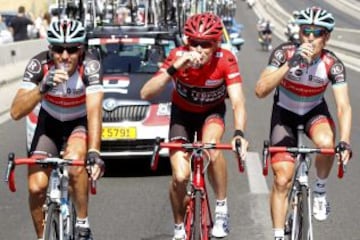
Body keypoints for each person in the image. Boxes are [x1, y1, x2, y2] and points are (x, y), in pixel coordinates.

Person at [140, 12, 248, 240]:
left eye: (205, 44)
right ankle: (179, 227)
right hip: (182, 116)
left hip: (212, 113)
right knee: (180, 176)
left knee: (212, 147)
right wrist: (173, 69)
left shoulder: (225, 59)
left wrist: (239, 133)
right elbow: (146, 93)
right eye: (194, 43)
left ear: (216, 43)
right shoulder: (177, 55)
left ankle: (221, 209)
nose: (199, 49)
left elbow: (238, 101)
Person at [255, 6, 352, 240]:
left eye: (317, 32)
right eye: (305, 31)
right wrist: (291, 65)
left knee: (327, 143)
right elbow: (260, 90)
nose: (310, 37)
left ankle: (319, 189)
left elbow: (343, 107)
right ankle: (278, 234)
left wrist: (345, 141)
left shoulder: (332, 64)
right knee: (282, 178)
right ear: (299, 33)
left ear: (326, 37)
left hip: (313, 112)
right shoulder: (283, 53)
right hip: (285, 113)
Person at [10, 19, 105, 240]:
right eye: (58, 49)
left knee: (74, 164)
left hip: (77, 122)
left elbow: (94, 110)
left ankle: (82, 223)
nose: (64, 56)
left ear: (81, 50)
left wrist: (94, 152)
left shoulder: (90, 65)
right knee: (36, 188)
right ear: (49, 49)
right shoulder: (39, 64)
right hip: (48, 123)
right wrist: (42, 88)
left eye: (71, 49)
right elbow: (15, 112)